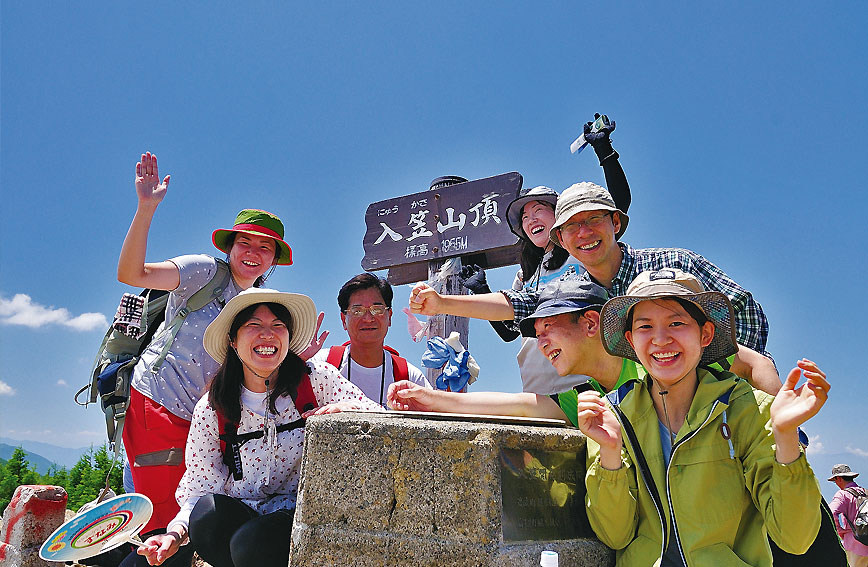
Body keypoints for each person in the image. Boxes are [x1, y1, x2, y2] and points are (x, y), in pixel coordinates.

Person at [409, 183, 781, 396]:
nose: (584, 233)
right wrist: (442, 301)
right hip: (643, 416)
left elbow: (745, 310)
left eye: (594, 220)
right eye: (572, 227)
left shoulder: (674, 264)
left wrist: (718, 377)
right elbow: (519, 305)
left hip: (717, 405)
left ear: (615, 223)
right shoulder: (571, 289)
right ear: (561, 239)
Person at [117, 152, 299, 565]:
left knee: (193, 519)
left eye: (265, 247)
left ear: (274, 260)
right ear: (230, 246)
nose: (254, 252)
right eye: (245, 241)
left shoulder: (259, 306)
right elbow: (133, 274)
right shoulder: (203, 272)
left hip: (205, 421)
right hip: (158, 406)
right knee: (162, 528)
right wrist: (146, 208)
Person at [579, 269, 825, 566]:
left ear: (705, 334)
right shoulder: (614, 415)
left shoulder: (747, 408)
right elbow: (615, 535)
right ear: (631, 340)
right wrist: (609, 452)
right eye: (645, 326)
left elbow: (794, 538)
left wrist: (786, 434)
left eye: (676, 322)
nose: (660, 339)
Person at [135, 288, 380, 567]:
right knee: (207, 516)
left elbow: (377, 414)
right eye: (254, 325)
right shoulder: (213, 408)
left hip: (304, 512)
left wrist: (346, 411)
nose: (268, 334)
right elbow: (200, 488)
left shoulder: (316, 380)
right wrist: (174, 534)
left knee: (252, 541)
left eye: (278, 325)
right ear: (233, 341)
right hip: (245, 513)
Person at [456, 113, 631, 395]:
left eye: (539, 210)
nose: (531, 219)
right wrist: (481, 289)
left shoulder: (583, 254)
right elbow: (510, 333)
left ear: (560, 217)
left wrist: (604, 150)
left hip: (589, 387)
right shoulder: (524, 276)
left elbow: (616, 206)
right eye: (524, 217)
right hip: (538, 391)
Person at [311, 273, 430, 406]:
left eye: (377, 309)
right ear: (344, 320)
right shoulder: (320, 364)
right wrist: (298, 360)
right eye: (357, 311)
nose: (368, 318)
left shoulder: (410, 377)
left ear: (389, 316)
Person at [829, 464, 868, 566]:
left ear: (838, 478)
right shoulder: (866, 492)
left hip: (855, 545)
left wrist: (839, 530)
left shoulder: (842, 494)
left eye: (835, 481)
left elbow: (832, 512)